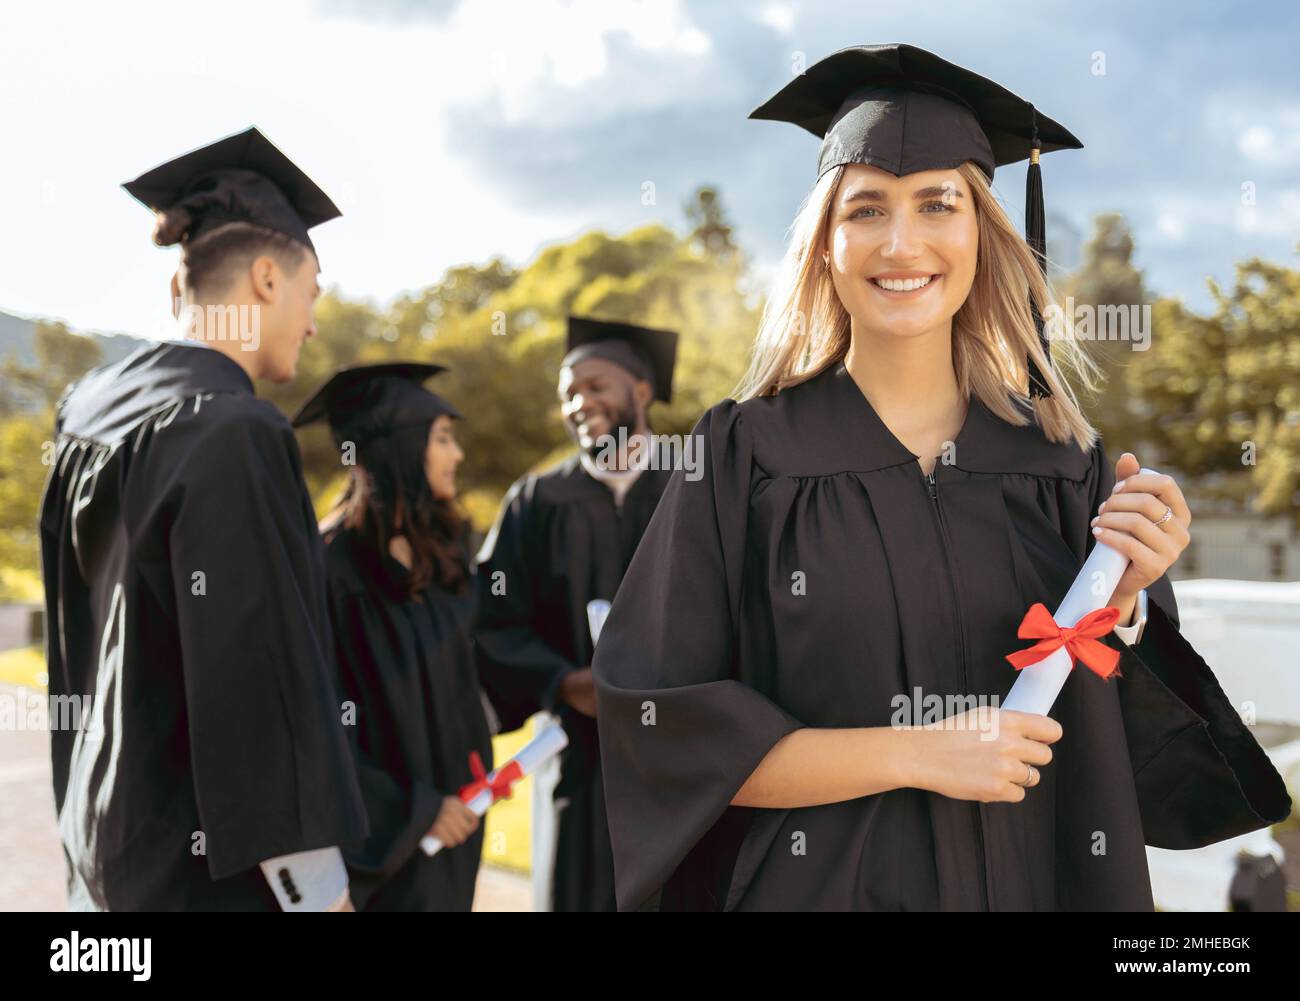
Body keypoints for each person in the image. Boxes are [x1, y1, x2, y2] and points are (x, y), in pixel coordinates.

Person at [591, 44, 1292, 912]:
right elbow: (661, 728)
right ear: (824, 245)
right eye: (866, 209)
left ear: (982, 233)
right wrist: (916, 750)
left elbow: (1122, 744)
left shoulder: (1061, 463)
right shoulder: (746, 456)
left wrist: (1133, 597)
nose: (901, 241)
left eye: (937, 204)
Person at [38, 127, 368, 910]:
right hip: (200, 887)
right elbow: (261, 694)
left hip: (103, 856)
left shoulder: (88, 407)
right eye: (311, 292)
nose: (314, 323)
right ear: (264, 277)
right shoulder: (234, 431)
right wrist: (322, 894)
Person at [475, 315, 678, 911]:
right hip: (576, 752)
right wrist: (563, 680)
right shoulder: (536, 501)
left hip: (681, 743)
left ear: (641, 392)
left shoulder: (692, 486)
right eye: (568, 392)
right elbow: (492, 618)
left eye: (596, 386)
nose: (579, 402)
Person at [293, 362, 493, 911]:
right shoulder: (327, 568)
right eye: (443, 439)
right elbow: (312, 726)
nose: (456, 455)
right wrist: (418, 810)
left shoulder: (445, 555)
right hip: (381, 849)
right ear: (401, 446)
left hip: (457, 830)